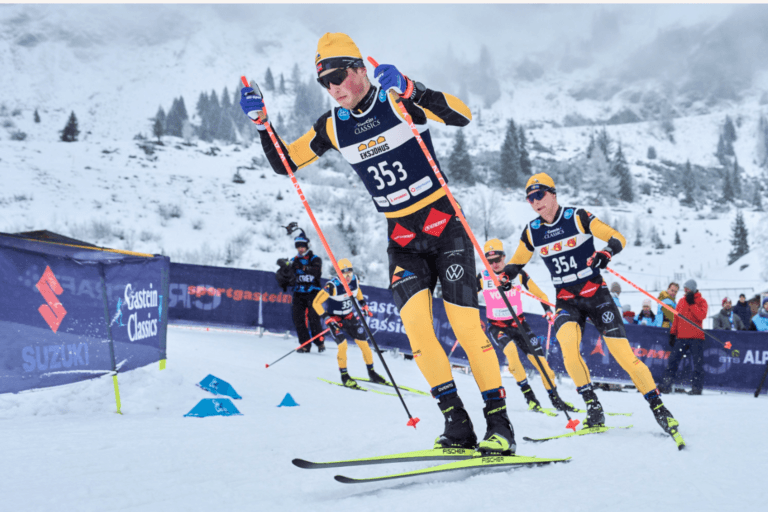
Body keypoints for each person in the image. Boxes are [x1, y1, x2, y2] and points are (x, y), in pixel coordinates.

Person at [240, 33, 515, 455]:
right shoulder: (333, 125)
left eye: (337, 76)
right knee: (419, 334)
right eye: (324, 82)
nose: (333, 88)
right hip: (402, 238)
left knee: (464, 326)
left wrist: (412, 88)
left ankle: (500, 424)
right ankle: (456, 424)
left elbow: (462, 116)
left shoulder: (396, 101)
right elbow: (285, 161)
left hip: (445, 229)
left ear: (358, 70)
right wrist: (263, 124)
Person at [500, 172, 683, 444]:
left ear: (553, 194)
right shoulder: (533, 231)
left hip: (595, 295)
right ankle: (594, 408)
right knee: (568, 350)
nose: (535, 202)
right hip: (565, 300)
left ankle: (660, 409)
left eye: (539, 195)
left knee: (623, 355)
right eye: (529, 198)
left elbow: (617, 237)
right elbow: (517, 262)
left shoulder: (577, 217)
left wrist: (606, 252)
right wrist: (506, 276)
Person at [479, 238, 578, 414]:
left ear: (504, 257)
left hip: (519, 324)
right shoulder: (483, 277)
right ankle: (530, 398)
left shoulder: (517, 274)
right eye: (490, 261)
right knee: (511, 354)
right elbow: (466, 297)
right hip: (497, 326)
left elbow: (540, 294)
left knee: (543, 366)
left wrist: (548, 310)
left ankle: (556, 400)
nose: (494, 264)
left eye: (498, 259)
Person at [312, 258, 387, 387]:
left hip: (350, 318)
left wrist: (363, 304)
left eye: (349, 273)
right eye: (343, 273)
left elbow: (357, 291)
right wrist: (326, 318)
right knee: (343, 345)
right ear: (338, 273)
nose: (347, 276)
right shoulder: (332, 286)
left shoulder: (354, 280)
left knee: (365, 345)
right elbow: (316, 303)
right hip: (335, 320)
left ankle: (372, 373)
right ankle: (345, 376)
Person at [659, 280, 708, 395]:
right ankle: (665, 385)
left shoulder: (701, 301)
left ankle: (697, 388)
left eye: (688, 289)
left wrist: (692, 304)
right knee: (672, 361)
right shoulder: (681, 301)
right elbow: (677, 318)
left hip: (696, 338)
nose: (686, 291)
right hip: (681, 337)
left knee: (697, 364)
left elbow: (701, 316)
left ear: (693, 289)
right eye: (685, 289)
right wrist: (673, 333)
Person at [289, 231, 324, 353]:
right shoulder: (294, 260)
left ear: (307, 246)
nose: (300, 249)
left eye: (302, 246)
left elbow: (316, 271)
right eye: (298, 246)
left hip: (313, 292)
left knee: (313, 317)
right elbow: (288, 278)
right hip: (298, 292)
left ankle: (319, 342)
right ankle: (305, 344)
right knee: (298, 318)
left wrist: (302, 267)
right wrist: (285, 269)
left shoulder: (315, 259)